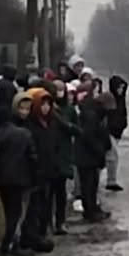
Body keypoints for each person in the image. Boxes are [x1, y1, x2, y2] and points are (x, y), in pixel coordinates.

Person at [0, 93, 38, 256]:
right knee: (16, 214)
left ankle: (11, 246)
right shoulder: (24, 134)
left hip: (3, 181)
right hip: (21, 180)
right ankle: (7, 248)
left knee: (9, 213)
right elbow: (33, 158)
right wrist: (35, 178)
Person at [20, 87, 60, 253]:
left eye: (48, 104)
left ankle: (42, 232)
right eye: (42, 104)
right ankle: (31, 236)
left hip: (49, 171)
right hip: (35, 173)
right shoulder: (30, 126)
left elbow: (54, 146)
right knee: (34, 206)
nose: (46, 108)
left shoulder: (51, 123)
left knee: (46, 204)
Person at [73, 76, 113, 223]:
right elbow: (89, 137)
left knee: (91, 185)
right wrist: (100, 150)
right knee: (88, 185)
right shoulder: (92, 116)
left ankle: (92, 209)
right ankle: (90, 212)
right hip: (87, 156)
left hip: (88, 156)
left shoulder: (93, 114)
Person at [48, 79, 78, 231]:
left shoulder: (70, 110)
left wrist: (67, 126)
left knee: (60, 191)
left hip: (64, 155)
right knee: (48, 193)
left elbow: (78, 130)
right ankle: (48, 223)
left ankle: (60, 221)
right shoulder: (47, 108)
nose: (59, 93)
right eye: (56, 89)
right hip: (49, 155)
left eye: (61, 89)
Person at [105, 75, 129, 192]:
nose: (121, 90)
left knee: (110, 157)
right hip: (109, 131)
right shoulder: (109, 99)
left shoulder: (121, 100)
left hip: (117, 132)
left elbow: (123, 114)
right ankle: (111, 181)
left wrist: (123, 124)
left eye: (122, 88)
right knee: (112, 156)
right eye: (119, 88)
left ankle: (110, 180)